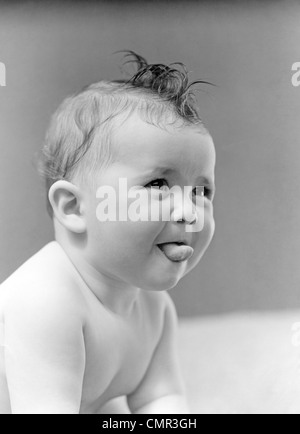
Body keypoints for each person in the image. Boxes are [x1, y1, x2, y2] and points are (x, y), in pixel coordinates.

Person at [0, 51, 216, 414]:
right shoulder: (43, 299)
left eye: (202, 191)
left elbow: (161, 399)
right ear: (74, 207)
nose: (190, 212)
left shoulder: (155, 308)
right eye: (158, 183)